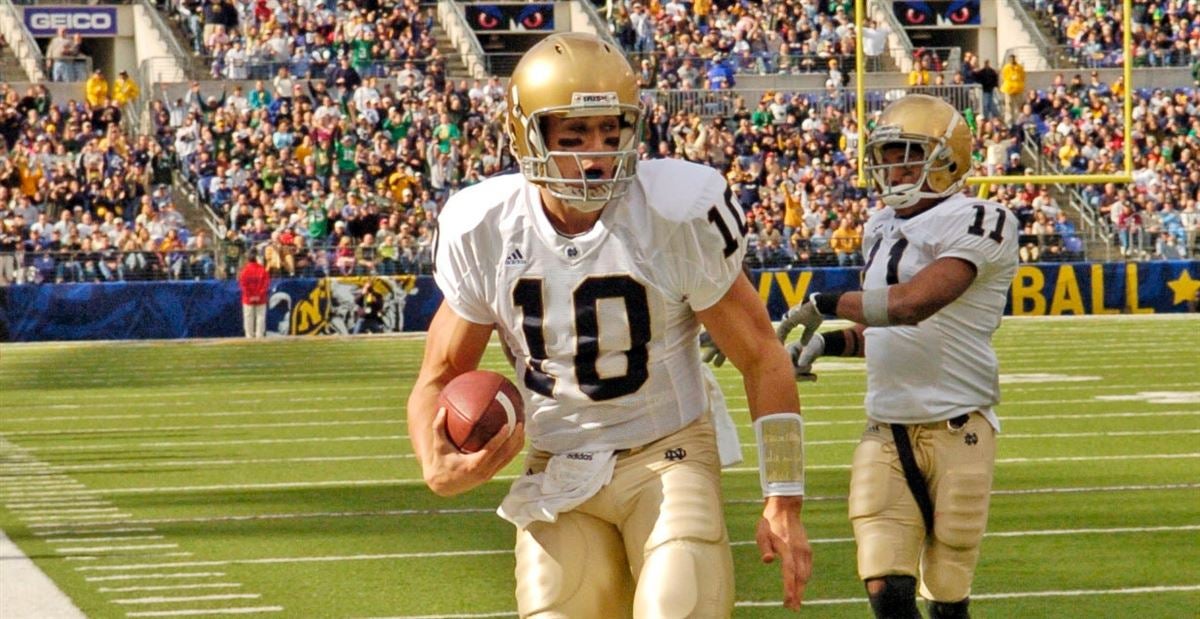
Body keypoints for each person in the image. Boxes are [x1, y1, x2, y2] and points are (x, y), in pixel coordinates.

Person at [406, 33, 812, 617]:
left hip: (666, 450)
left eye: (609, 132)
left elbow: (761, 356)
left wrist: (784, 499)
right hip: (557, 463)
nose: (596, 156)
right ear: (528, 137)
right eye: (572, 138)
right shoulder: (486, 227)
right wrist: (434, 458)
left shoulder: (675, 213)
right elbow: (441, 372)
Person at [777, 94, 1018, 619]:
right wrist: (828, 341)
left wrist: (822, 303)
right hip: (885, 428)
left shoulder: (982, 218)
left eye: (907, 153)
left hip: (958, 427)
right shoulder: (880, 225)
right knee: (886, 589)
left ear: (948, 158)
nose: (893, 167)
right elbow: (884, 329)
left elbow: (914, 305)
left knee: (947, 595)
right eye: (886, 155)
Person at [237, 248, 269, 338]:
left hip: (248, 298)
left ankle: (249, 336)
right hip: (261, 298)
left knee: (248, 317)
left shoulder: (244, 271)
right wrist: (259, 295)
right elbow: (265, 284)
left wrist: (250, 295)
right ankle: (259, 335)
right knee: (260, 317)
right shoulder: (262, 270)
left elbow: (243, 285)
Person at [1000, 55, 1025, 125]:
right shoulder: (1006, 68)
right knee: (1008, 106)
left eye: (1013, 59)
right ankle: (1009, 121)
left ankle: (1017, 121)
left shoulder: (1020, 67)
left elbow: (1023, 77)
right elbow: (1004, 77)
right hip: (1009, 89)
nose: (1012, 60)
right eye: (1010, 59)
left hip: (1018, 89)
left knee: (1017, 106)